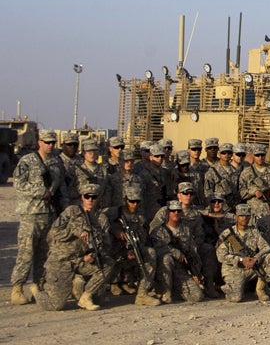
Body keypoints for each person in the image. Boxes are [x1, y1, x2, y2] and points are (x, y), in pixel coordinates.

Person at [33, 182, 115, 311]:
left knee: (107, 264)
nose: (90, 200)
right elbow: (53, 234)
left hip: (81, 261)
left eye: (94, 197)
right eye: (87, 196)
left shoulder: (101, 219)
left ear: (98, 198)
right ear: (82, 197)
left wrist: (92, 255)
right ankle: (37, 291)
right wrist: (73, 232)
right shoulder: (71, 211)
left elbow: (106, 245)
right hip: (62, 261)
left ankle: (85, 296)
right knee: (55, 306)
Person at [10, 129, 63, 305]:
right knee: (26, 253)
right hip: (31, 213)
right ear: (39, 142)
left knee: (44, 254)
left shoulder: (56, 162)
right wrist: (41, 191)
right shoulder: (27, 161)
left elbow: (59, 186)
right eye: (47, 142)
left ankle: (39, 287)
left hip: (49, 214)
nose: (50, 145)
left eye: (52, 143)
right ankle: (17, 288)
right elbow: (19, 184)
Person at [108, 184, 162, 305]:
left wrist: (133, 249)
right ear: (125, 200)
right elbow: (99, 224)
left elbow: (142, 237)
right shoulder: (112, 213)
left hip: (131, 250)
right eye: (132, 201)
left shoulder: (140, 218)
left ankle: (142, 293)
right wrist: (114, 230)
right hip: (113, 251)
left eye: (137, 202)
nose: (135, 205)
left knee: (150, 253)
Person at [216, 203, 270, 302]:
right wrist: (241, 260)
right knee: (236, 298)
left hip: (251, 266)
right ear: (236, 217)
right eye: (241, 215)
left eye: (247, 216)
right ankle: (225, 287)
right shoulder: (228, 234)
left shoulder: (254, 232)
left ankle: (260, 289)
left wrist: (256, 258)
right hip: (233, 269)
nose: (244, 218)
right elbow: (220, 256)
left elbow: (266, 247)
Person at [150, 198, 206, 304]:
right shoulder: (158, 231)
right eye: (173, 210)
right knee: (167, 258)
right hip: (163, 270)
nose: (176, 213)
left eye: (179, 211)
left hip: (181, 270)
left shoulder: (186, 229)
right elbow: (157, 250)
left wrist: (196, 272)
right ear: (167, 213)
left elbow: (192, 252)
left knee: (197, 296)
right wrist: (175, 252)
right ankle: (164, 291)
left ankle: (176, 289)